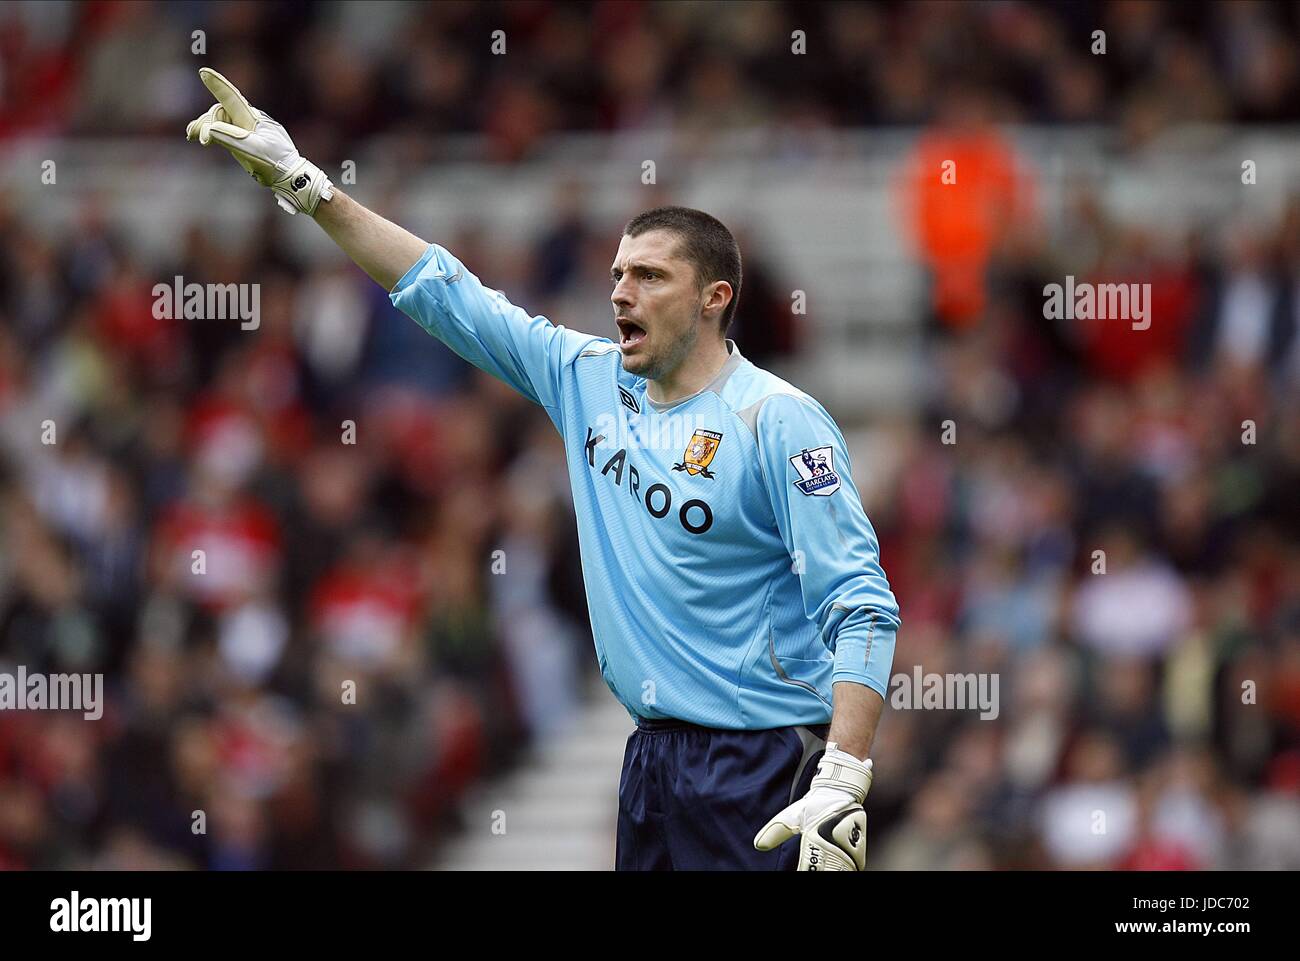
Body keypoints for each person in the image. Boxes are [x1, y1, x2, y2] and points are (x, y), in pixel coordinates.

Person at [185, 68, 900, 871]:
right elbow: (444, 291)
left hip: (755, 767)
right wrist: (308, 187)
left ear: (714, 297)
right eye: (617, 275)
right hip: (651, 763)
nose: (621, 292)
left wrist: (844, 769)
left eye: (650, 276)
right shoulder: (586, 378)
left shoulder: (779, 420)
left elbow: (862, 604)